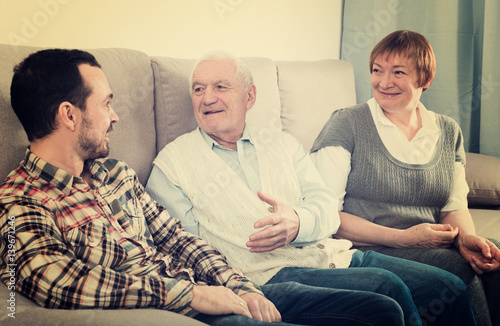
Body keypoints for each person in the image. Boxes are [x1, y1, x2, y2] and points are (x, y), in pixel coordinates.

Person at [0, 49, 408, 326]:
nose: (116, 117)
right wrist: (189, 295)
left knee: (381, 309)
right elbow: (57, 280)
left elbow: (180, 241)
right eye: (106, 104)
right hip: (184, 307)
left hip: (217, 288)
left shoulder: (115, 174)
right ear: (69, 116)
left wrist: (238, 287)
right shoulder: (20, 201)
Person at [146, 50, 477, 326]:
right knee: (386, 289)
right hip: (267, 275)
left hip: (334, 256)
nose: (208, 98)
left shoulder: (283, 144)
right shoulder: (173, 164)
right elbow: (183, 250)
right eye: (198, 89)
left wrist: (297, 223)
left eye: (220, 86)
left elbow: (326, 210)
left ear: (250, 96)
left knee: (449, 287)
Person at [311, 29, 500, 326]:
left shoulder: (448, 130)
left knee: (493, 259)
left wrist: (466, 239)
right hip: (368, 248)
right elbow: (324, 215)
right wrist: (403, 239)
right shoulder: (347, 123)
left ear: (424, 80)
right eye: (377, 70)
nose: (384, 82)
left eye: (398, 72)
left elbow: (454, 206)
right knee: (460, 270)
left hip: (430, 244)